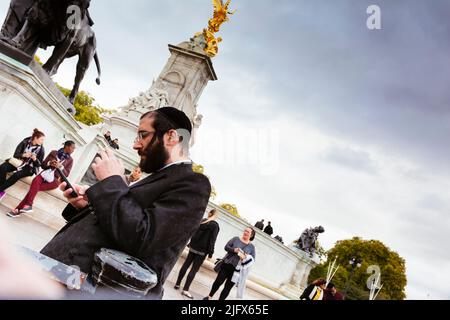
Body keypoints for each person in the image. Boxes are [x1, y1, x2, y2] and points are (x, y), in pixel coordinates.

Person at [39, 107, 211, 300]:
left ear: (171, 137)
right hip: (67, 280)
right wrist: (88, 205)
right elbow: (121, 223)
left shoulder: (194, 184)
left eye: (143, 135)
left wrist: (112, 181)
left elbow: (143, 239)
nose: (136, 145)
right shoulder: (158, 177)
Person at [7, 141, 76, 217]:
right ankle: (27, 206)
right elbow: (42, 165)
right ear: (67, 146)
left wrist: (61, 167)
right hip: (44, 174)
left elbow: (66, 174)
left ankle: (18, 210)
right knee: (35, 183)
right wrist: (50, 163)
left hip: (55, 180)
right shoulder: (54, 152)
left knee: (32, 191)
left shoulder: (70, 160)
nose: (74, 149)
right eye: (72, 147)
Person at [175, 209, 220, 299]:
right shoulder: (215, 226)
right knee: (194, 270)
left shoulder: (202, 221)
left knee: (186, 264)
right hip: (202, 251)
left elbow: (193, 232)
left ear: (209, 214)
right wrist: (211, 253)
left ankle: (177, 284)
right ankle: (185, 289)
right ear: (215, 216)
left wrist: (190, 243)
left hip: (193, 247)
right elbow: (212, 240)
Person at [203, 227, 256, 301]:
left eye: (248, 232)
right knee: (218, 282)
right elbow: (226, 247)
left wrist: (245, 257)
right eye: (245, 231)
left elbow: (252, 260)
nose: (245, 232)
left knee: (228, 287)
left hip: (237, 270)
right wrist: (234, 250)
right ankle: (209, 296)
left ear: (251, 235)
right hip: (226, 265)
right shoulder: (236, 239)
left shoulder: (251, 247)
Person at [0, 129, 45, 202]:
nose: (42, 142)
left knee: (16, 175)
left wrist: (34, 159)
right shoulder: (25, 142)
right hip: (19, 162)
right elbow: (15, 155)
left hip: (29, 168)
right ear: (35, 138)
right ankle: (1, 191)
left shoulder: (41, 150)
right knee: (2, 167)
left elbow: (39, 164)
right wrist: (24, 155)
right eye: (41, 139)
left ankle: (0, 190)